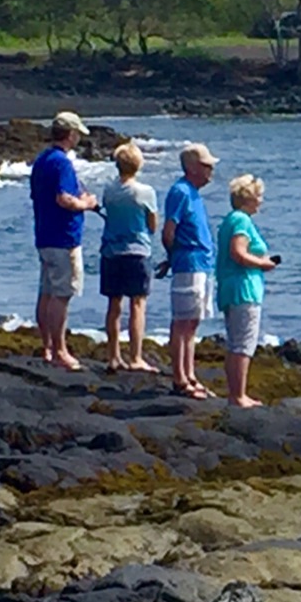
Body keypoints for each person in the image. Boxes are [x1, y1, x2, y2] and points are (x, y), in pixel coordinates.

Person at [28, 110, 98, 370]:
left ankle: (47, 347)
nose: (78, 137)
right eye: (77, 133)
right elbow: (65, 198)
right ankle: (59, 350)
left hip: (44, 234)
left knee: (46, 292)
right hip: (63, 237)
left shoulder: (42, 160)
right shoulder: (62, 162)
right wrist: (86, 204)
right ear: (70, 134)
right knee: (61, 294)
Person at [215, 174, 279, 408]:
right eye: (259, 196)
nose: (261, 201)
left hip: (231, 287)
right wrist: (263, 263)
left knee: (235, 343)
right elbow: (238, 253)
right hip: (244, 288)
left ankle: (235, 393)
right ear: (248, 198)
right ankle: (238, 395)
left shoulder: (230, 219)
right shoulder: (241, 221)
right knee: (243, 344)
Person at [162, 141, 218, 398]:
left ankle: (190, 373)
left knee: (192, 322)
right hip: (188, 263)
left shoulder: (192, 193)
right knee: (182, 322)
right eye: (207, 166)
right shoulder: (181, 192)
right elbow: (169, 231)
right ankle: (180, 378)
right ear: (193, 167)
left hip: (201, 263)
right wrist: (173, 256)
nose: (211, 172)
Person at [99, 141, 159, 373]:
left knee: (114, 305)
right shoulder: (145, 192)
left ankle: (113, 356)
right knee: (138, 304)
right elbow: (152, 225)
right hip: (137, 251)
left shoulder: (109, 190)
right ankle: (135, 356)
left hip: (111, 251)